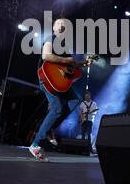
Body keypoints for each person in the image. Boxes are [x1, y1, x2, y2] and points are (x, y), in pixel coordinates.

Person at [29, 18, 90, 161]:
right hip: (47, 78)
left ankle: (51, 127)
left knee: (75, 100)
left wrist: (83, 63)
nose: (62, 26)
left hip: (60, 83)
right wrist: (66, 61)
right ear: (54, 28)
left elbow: (71, 67)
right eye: (59, 24)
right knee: (56, 108)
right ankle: (36, 144)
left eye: (65, 24)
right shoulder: (51, 38)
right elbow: (46, 55)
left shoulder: (66, 46)